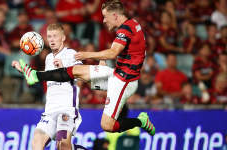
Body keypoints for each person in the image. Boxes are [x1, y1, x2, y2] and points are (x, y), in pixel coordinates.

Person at [16, 0, 155, 135]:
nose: (104, 21)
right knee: (76, 71)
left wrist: (86, 55)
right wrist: (102, 58)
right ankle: (35, 75)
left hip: (124, 81)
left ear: (115, 16)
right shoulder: (133, 23)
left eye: (105, 17)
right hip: (117, 74)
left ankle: (141, 121)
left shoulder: (126, 30)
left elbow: (113, 52)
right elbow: (125, 51)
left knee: (107, 125)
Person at [12, 23, 86, 150]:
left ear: (63, 38)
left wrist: (64, 69)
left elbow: (81, 77)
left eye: (55, 36)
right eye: (49, 36)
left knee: (62, 145)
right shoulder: (48, 58)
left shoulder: (71, 54)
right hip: (50, 111)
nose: (51, 40)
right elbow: (42, 77)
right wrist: (23, 70)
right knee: (36, 143)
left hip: (66, 109)